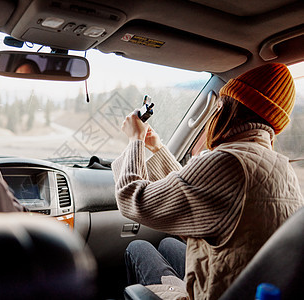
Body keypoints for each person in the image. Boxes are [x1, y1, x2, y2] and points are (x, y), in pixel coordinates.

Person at [111, 63, 303, 300]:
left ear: (228, 109)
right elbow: (201, 195)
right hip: (246, 284)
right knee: (169, 245)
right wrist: (158, 148)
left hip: (218, 292)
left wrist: (135, 140)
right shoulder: (280, 167)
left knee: (138, 248)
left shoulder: (229, 161)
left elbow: (133, 199)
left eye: (218, 106)